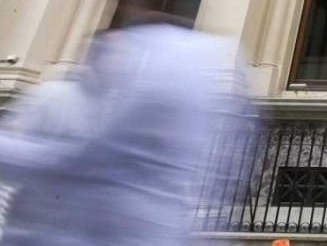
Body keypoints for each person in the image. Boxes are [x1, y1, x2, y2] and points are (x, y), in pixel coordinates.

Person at [0, 18, 250, 246]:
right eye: (116, 55)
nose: (126, 62)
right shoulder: (53, 97)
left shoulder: (119, 106)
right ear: (94, 58)